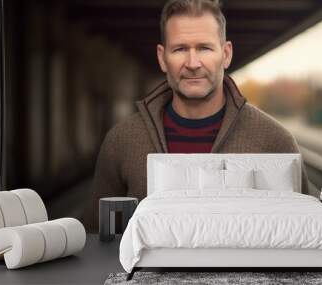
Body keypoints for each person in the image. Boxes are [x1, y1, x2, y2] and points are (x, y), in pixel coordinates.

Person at [85, 0, 309, 232]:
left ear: (226, 54)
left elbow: (307, 235)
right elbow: (96, 239)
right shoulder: (122, 141)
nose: (193, 64)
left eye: (204, 48)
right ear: (162, 58)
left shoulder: (275, 140)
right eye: (180, 49)